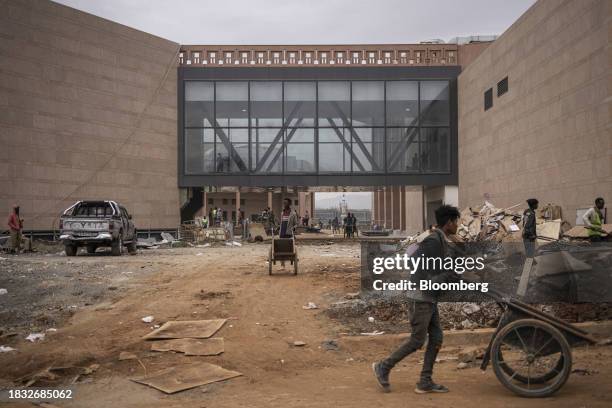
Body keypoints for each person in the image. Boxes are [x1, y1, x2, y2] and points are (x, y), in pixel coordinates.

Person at [373, 204, 461, 395]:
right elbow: (416, 263)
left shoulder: (439, 238)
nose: (457, 226)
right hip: (421, 297)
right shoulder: (433, 240)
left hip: (428, 297)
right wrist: (445, 276)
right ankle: (383, 367)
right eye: (456, 222)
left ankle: (425, 381)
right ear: (448, 222)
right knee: (417, 340)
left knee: (436, 337)